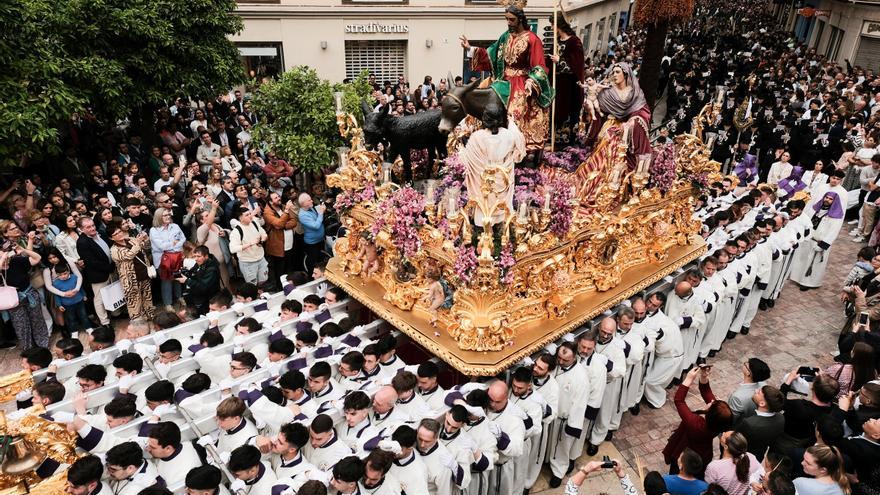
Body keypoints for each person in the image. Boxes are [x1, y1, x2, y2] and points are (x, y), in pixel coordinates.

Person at [459, 4, 554, 154]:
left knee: (515, 112)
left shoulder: (532, 39)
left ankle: (517, 147)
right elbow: (490, 54)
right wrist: (470, 49)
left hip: (522, 81)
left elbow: (539, 65)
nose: (509, 22)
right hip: (502, 79)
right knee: (484, 101)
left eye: (512, 19)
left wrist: (532, 80)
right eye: (507, 19)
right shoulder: (505, 37)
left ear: (520, 19)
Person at [663, 366, 733, 472]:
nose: (711, 401)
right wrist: (704, 377)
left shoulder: (695, 424)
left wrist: (689, 378)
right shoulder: (720, 422)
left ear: (709, 414)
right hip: (703, 454)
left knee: (676, 471)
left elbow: (679, 400)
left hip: (685, 455)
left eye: (712, 404)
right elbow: (707, 392)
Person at [790, 189, 846, 290]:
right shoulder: (816, 208)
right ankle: (797, 278)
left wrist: (823, 245)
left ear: (834, 201)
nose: (827, 200)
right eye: (826, 197)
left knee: (813, 263)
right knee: (802, 259)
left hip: (819, 242)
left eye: (830, 199)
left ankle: (808, 283)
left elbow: (833, 232)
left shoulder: (836, 216)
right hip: (809, 239)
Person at [107, 224, 155, 322]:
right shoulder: (114, 250)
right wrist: (138, 243)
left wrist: (146, 239)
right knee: (134, 301)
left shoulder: (131, 239)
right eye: (115, 234)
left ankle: (150, 316)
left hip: (144, 273)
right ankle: (138, 322)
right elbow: (129, 256)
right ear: (111, 238)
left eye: (119, 231)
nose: (119, 234)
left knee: (147, 297)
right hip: (130, 280)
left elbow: (146, 248)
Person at [75, 217, 115, 326]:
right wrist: (109, 267)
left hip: (110, 270)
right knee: (99, 299)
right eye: (88, 227)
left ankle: (116, 313)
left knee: (113, 293)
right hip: (98, 275)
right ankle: (105, 322)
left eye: (93, 225)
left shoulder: (100, 233)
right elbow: (91, 262)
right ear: (81, 229)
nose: (92, 228)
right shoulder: (82, 242)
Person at [149, 207, 185, 309]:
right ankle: (168, 304)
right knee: (166, 281)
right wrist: (174, 244)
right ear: (158, 217)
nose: (168, 217)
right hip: (162, 260)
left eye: (169, 214)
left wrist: (172, 246)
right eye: (165, 215)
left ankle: (179, 297)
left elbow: (183, 239)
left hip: (176, 257)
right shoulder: (154, 230)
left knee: (177, 277)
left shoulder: (175, 226)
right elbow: (161, 246)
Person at [229, 206, 269, 287]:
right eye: (247, 215)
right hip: (248, 262)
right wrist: (250, 244)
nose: (250, 216)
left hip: (261, 258)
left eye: (250, 213)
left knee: (263, 281)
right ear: (240, 218)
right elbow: (232, 249)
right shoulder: (236, 231)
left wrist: (262, 240)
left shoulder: (254, 223)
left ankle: (262, 292)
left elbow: (264, 234)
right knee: (252, 285)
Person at [177, 245, 220, 316]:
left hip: (209, 299)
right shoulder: (200, 263)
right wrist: (185, 273)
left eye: (199, 256)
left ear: (206, 256)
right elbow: (193, 273)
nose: (196, 259)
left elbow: (203, 287)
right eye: (195, 256)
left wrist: (187, 281)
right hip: (199, 296)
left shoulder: (212, 269)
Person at [298, 193, 326, 274]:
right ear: (304, 204)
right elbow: (316, 226)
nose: (312, 201)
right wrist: (321, 213)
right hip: (312, 244)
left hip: (320, 240)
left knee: (320, 261)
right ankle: (312, 277)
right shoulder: (302, 215)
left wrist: (320, 211)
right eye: (309, 200)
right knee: (313, 264)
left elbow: (317, 219)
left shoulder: (311, 208)